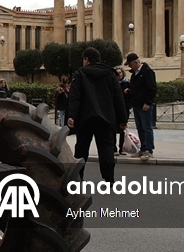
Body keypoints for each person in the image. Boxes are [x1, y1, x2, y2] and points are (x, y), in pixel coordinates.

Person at [66, 47, 128, 183]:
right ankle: (109, 178)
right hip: (106, 117)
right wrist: (123, 119)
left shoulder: (80, 73)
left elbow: (74, 97)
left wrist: (72, 116)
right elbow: (118, 98)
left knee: (81, 148)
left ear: (86, 60)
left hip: (85, 117)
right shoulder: (110, 74)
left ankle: (78, 177)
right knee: (106, 148)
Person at [125, 52, 157, 160]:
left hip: (144, 105)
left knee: (147, 127)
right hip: (137, 104)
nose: (129, 67)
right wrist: (130, 90)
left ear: (136, 62)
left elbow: (152, 89)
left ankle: (149, 150)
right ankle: (143, 148)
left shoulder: (147, 72)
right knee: (140, 128)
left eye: (130, 64)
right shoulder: (135, 74)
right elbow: (136, 87)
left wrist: (148, 102)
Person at [114, 66, 131, 155]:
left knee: (123, 129)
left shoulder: (127, 83)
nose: (119, 75)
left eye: (120, 72)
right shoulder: (112, 84)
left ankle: (122, 148)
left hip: (124, 108)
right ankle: (114, 149)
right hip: (114, 109)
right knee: (113, 129)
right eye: (117, 73)